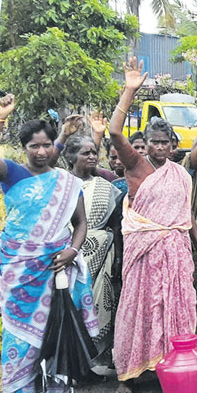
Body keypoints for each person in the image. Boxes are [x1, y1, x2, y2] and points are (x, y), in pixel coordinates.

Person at [0, 94, 98, 393]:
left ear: (54, 145)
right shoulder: (12, 174)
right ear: (23, 148)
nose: (40, 152)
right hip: (18, 267)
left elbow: (80, 224)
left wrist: (73, 251)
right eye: (33, 146)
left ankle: (60, 388)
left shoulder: (66, 182)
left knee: (58, 328)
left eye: (45, 145)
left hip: (56, 267)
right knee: (16, 331)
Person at [109, 57, 197, 393]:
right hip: (145, 255)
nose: (160, 147)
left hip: (177, 252)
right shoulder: (136, 166)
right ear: (146, 144)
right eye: (154, 142)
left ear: (174, 145)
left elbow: (187, 215)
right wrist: (129, 90)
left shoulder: (180, 172)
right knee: (139, 307)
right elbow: (114, 132)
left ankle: (173, 363)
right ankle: (129, 373)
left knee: (177, 305)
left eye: (166, 142)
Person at [64, 135, 122, 365]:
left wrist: (117, 258)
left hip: (104, 255)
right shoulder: (62, 185)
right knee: (72, 307)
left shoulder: (106, 187)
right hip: (70, 255)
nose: (91, 156)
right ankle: (75, 364)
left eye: (93, 152)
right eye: (85, 153)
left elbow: (116, 225)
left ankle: (97, 359)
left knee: (101, 307)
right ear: (70, 157)